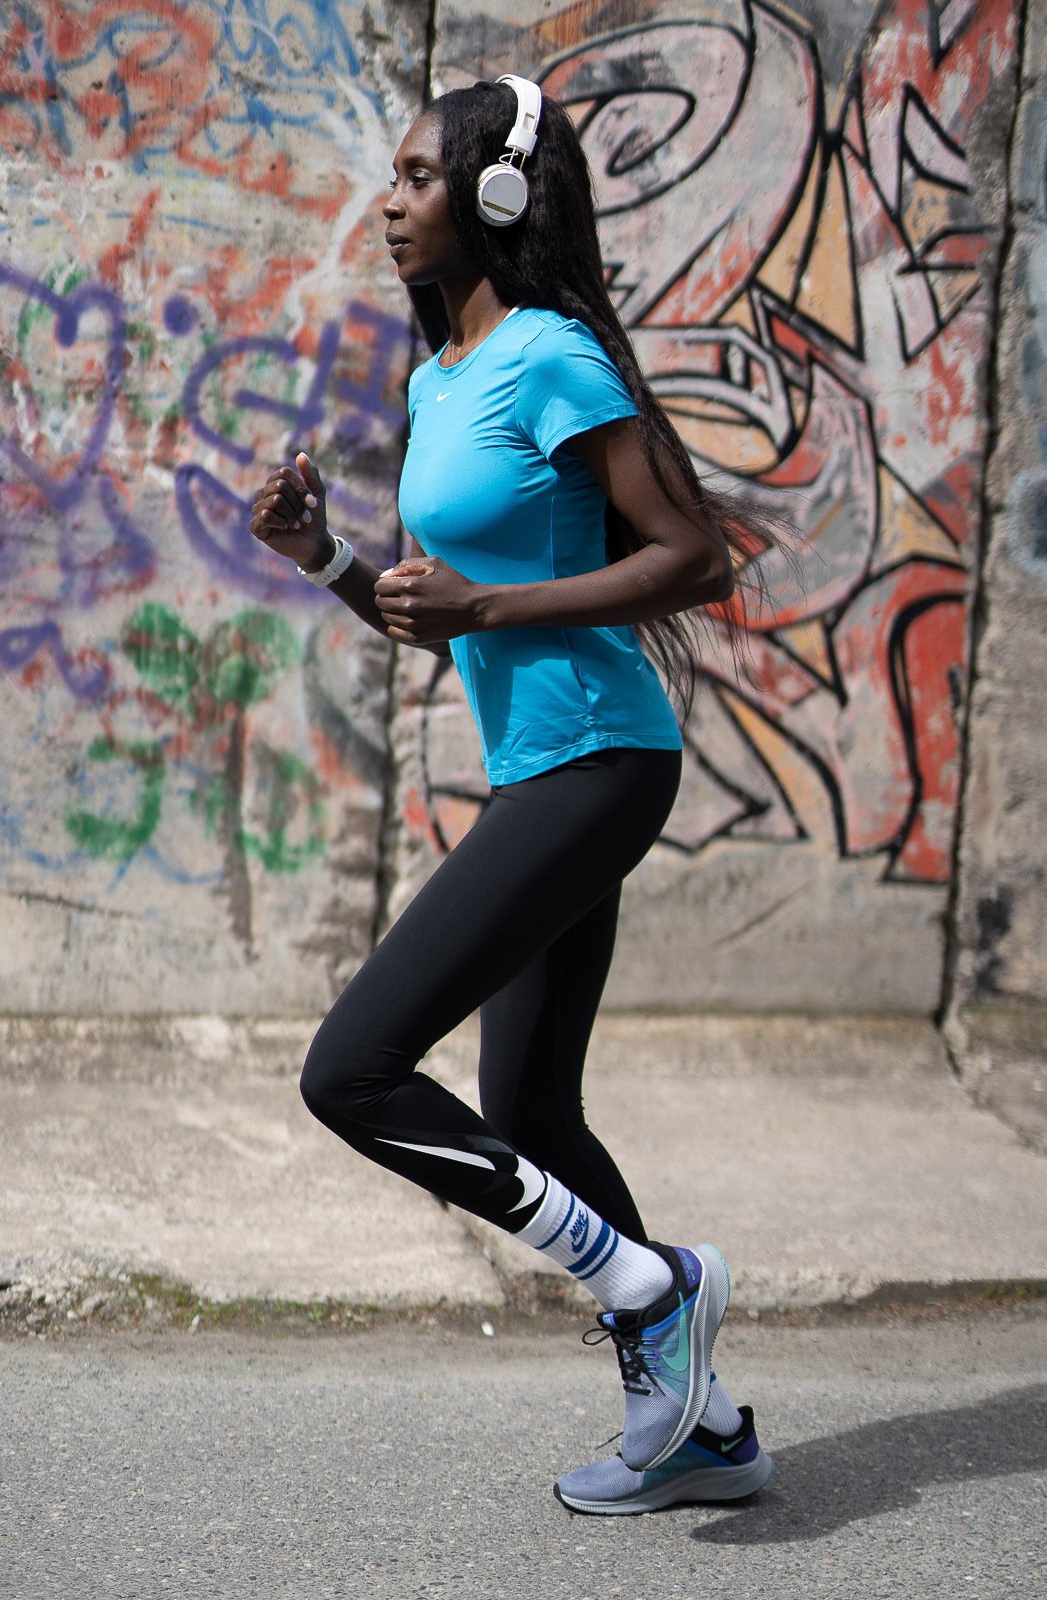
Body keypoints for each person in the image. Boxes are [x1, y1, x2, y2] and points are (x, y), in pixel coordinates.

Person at [250, 75, 775, 1515]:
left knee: (350, 1071)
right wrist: (330, 559)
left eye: (424, 175)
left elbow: (697, 557)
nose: (395, 200)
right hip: (541, 770)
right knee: (530, 1108)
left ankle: (652, 1291)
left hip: (604, 760)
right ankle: (706, 1427)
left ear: (495, 197)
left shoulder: (550, 356)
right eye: (397, 175)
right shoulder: (438, 380)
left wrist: (494, 609)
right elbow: (443, 611)